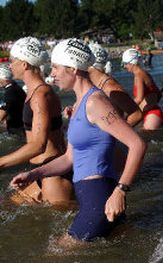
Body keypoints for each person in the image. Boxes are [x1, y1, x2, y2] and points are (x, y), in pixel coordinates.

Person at [10, 38, 146, 245]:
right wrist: (33, 174)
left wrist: (121, 190)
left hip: (100, 198)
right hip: (93, 197)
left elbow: (137, 144)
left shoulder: (96, 102)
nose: (52, 74)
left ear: (73, 68)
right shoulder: (79, 103)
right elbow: (69, 158)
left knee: (54, 255)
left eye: (55, 67)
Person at [1, 37, 74, 204]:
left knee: (61, 229)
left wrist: (1, 162)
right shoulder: (35, 92)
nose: (10, 65)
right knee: (8, 205)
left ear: (25, 64)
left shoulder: (41, 95)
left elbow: (38, 145)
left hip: (53, 174)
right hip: (41, 171)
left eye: (13, 61)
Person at [122, 48, 163, 130]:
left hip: (152, 114)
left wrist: (125, 111)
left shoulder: (139, 75)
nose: (125, 66)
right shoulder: (143, 73)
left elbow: (139, 99)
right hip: (150, 112)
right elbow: (158, 94)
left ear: (132, 62)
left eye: (125, 63)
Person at [0, 63, 26, 135]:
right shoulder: (15, 88)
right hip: (21, 126)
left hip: (17, 130)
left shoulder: (10, 92)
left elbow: (1, 116)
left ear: (5, 79)